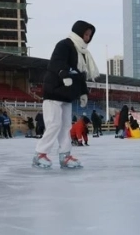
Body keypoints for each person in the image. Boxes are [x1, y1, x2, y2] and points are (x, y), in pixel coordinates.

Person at [32, 20, 99, 169]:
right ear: (78, 32)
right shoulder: (64, 45)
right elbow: (55, 62)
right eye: (85, 34)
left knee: (66, 126)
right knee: (54, 124)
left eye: (89, 35)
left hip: (67, 95)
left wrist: (83, 92)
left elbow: (81, 75)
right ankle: (40, 154)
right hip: (54, 92)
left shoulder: (82, 53)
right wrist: (63, 74)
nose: (87, 38)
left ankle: (65, 155)